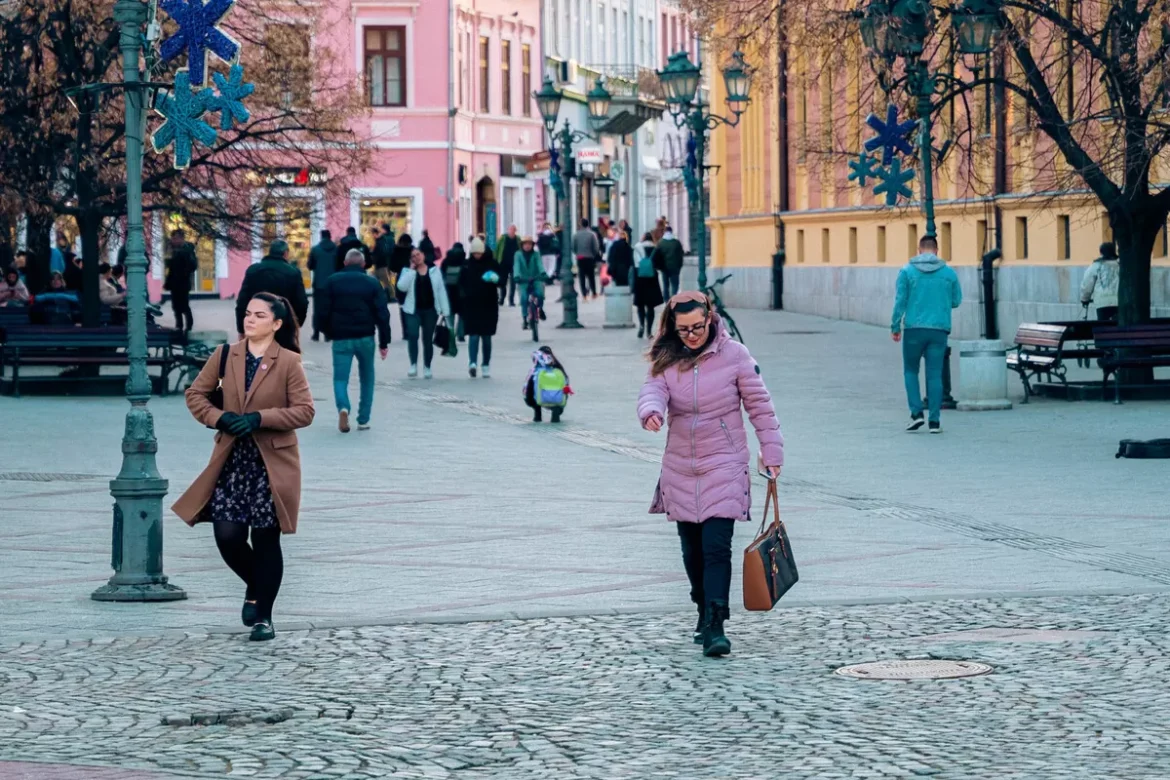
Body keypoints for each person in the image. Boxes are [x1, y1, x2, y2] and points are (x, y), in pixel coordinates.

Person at [637, 291, 784, 658]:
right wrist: (650, 411)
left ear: (710, 320)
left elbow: (760, 405)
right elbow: (652, 389)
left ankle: (717, 624)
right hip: (681, 465)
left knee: (716, 546)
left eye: (697, 327)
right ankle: (702, 606)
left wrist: (772, 449)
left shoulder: (735, 355)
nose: (691, 335)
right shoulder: (666, 357)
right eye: (683, 329)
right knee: (692, 552)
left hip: (725, 461)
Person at [173, 292, 315, 643]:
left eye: (259, 315)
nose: (250, 320)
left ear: (277, 324)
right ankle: (256, 584)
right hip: (232, 462)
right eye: (247, 314)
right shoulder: (224, 356)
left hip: (272, 464)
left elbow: (305, 411)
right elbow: (196, 394)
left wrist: (259, 418)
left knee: (267, 540)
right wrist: (219, 419)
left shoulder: (289, 362)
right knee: (228, 536)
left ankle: (263, 616)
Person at [890, 235, 963, 434]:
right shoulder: (948, 273)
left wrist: (895, 326)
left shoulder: (906, 271)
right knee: (934, 374)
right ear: (937, 251)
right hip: (939, 330)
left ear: (919, 250)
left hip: (914, 329)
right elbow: (956, 300)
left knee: (910, 371)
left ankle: (916, 414)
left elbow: (900, 302)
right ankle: (935, 422)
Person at [318, 249, 392, 433]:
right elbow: (383, 314)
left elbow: (322, 312)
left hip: (341, 338)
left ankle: (343, 407)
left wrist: (328, 332)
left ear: (345, 263)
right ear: (363, 264)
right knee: (367, 378)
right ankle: (363, 419)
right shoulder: (372, 283)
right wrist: (384, 342)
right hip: (366, 337)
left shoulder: (332, 282)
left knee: (340, 378)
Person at [235, 240, 309, 339]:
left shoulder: (253, 270)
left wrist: (241, 329)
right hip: (283, 326)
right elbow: (301, 303)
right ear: (286, 253)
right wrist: (296, 325)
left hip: (257, 324)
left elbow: (242, 302)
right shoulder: (293, 273)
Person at [397, 247, 450, 379]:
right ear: (411, 259)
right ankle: (413, 364)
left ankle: (427, 366)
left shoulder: (434, 271)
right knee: (413, 336)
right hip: (412, 310)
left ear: (424, 255)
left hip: (430, 311)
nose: (417, 257)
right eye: (413, 256)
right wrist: (410, 270)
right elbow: (401, 287)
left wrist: (445, 310)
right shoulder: (407, 271)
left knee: (427, 339)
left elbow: (441, 291)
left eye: (418, 254)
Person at [460, 237, 502, 378]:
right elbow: (461, 284)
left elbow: (502, 279)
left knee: (486, 336)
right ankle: (472, 363)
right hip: (471, 305)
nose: (477, 255)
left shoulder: (491, 264)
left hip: (489, 305)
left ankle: (485, 364)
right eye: (474, 253)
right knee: (473, 335)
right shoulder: (466, 265)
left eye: (479, 253)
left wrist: (495, 278)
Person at [524, 346, 571, 423]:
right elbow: (566, 385)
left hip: (539, 399)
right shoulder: (559, 368)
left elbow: (527, 390)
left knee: (533, 388)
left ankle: (537, 414)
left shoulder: (536, 371)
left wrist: (529, 400)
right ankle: (556, 412)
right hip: (557, 399)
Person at [308, 229, 338, 341]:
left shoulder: (315, 250)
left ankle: (316, 333)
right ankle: (328, 334)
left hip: (319, 284)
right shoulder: (336, 249)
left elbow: (310, 266)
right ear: (330, 237)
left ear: (321, 236)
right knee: (331, 308)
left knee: (318, 309)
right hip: (333, 284)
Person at [513, 235, 548, 330]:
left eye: (529, 244)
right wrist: (516, 276)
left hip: (536, 278)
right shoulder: (518, 254)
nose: (527, 246)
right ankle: (525, 319)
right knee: (524, 298)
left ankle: (540, 309)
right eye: (525, 244)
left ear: (532, 245)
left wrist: (543, 273)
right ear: (522, 245)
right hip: (523, 280)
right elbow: (516, 266)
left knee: (540, 293)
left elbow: (539, 264)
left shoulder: (536, 254)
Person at [165, 230, 198, 332]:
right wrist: (168, 282)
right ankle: (179, 325)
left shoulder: (187, 250)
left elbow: (193, 266)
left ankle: (188, 326)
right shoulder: (174, 250)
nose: (173, 240)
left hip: (183, 283)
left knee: (184, 305)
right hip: (175, 283)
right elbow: (171, 268)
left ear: (181, 238)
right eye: (172, 238)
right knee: (175, 306)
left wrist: (183, 272)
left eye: (175, 238)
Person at [633, 232, 664, 338]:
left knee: (640, 305)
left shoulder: (637, 248)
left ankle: (641, 325)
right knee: (650, 307)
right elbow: (660, 264)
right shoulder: (656, 249)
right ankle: (649, 331)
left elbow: (634, 265)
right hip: (652, 280)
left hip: (640, 278)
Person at [1081, 241, 1120, 321]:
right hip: (1119, 301)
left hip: (1102, 302)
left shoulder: (1096, 266)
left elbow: (1087, 284)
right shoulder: (1120, 264)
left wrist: (1085, 299)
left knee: (1103, 324)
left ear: (1101, 252)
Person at [442, 242, 467, 341]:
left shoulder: (446, 261)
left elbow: (442, 275)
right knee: (463, 314)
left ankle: (450, 332)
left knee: (450, 313)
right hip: (461, 291)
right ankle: (461, 334)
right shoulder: (464, 261)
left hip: (449, 290)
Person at [652, 227, 686, 300]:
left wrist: (658, 266)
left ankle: (667, 301)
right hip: (675, 267)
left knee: (665, 285)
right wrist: (679, 265)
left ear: (664, 232)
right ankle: (674, 299)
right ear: (672, 231)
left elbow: (655, 255)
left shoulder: (661, 243)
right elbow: (681, 254)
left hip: (664, 267)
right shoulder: (677, 242)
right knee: (675, 285)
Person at [572, 218, 601, 300]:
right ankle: (594, 293)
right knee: (591, 276)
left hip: (580, 258)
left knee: (582, 276)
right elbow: (596, 247)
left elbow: (573, 247)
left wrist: (577, 253)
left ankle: (584, 294)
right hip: (589, 258)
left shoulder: (576, 235)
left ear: (581, 225)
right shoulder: (592, 234)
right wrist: (593, 254)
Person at [496, 225, 521, 307]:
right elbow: (497, 249)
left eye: (513, 230)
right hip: (503, 263)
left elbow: (521, 250)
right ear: (508, 230)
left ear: (515, 231)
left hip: (514, 264)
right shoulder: (502, 239)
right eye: (510, 229)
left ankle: (511, 300)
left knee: (513, 282)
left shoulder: (518, 239)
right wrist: (495, 261)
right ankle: (502, 299)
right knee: (502, 282)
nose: (512, 231)